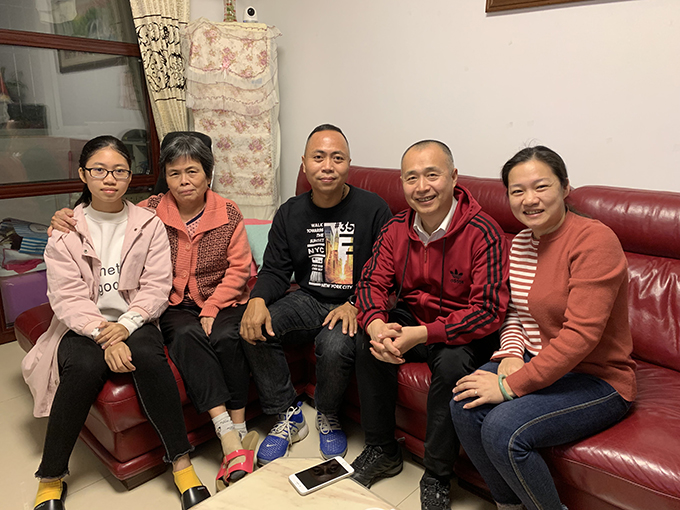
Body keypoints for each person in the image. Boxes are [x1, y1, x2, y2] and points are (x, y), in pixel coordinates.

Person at [50, 132, 257, 490]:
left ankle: (231, 432)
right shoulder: (150, 211)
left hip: (204, 301)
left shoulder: (222, 212)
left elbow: (238, 268)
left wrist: (211, 307)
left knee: (228, 336)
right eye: (174, 173)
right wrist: (60, 216)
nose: (184, 180)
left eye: (193, 171)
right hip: (168, 306)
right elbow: (69, 292)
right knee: (181, 336)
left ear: (208, 174)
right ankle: (51, 473)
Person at [22, 136, 211, 510]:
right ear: (83, 174)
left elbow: (157, 285)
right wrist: (105, 336)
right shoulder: (65, 229)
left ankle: (181, 463)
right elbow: (66, 296)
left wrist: (126, 325)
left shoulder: (148, 224)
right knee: (83, 365)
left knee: (150, 357)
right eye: (99, 170)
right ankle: (51, 475)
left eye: (119, 171)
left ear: (130, 176)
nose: (110, 179)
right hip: (82, 325)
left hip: (135, 319)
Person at [450, 146, 636, 510]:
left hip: (597, 377)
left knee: (503, 429)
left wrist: (510, 386)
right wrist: (511, 354)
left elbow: (580, 337)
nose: (529, 199)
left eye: (541, 187)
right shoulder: (520, 242)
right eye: (517, 191)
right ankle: (508, 505)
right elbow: (515, 313)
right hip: (539, 360)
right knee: (464, 403)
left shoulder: (594, 240)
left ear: (565, 188)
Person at [351, 140, 509, 510]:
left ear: (453, 177)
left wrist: (423, 334)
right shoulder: (395, 228)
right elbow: (371, 283)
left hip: (463, 328)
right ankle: (382, 450)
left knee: (453, 366)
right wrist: (376, 326)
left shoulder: (484, 232)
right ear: (402, 184)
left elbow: (488, 311)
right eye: (411, 178)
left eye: (432, 175)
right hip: (413, 317)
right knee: (368, 343)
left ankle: (437, 475)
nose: (422, 187)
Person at [239, 124, 392, 465]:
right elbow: (275, 270)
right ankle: (287, 414)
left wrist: (357, 304)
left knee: (335, 345)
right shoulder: (290, 212)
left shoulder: (374, 209)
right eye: (318, 157)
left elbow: (388, 271)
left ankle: (327, 413)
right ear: (304, 163)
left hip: (354, 303)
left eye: (337, 158)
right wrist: (257, 300)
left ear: (348, 164)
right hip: (308, 298)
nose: (327, 166)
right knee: (253, 326)